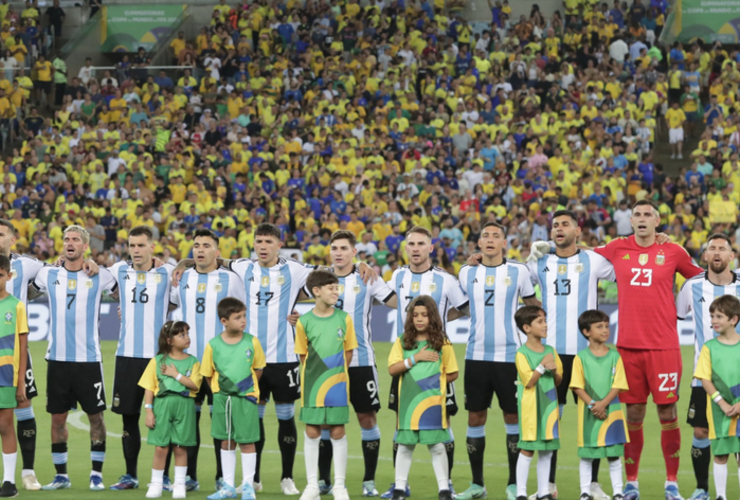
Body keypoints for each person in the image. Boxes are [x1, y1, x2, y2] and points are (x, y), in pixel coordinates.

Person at [531, 200, 703, 500]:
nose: (642, 218)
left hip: (664, 346)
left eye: (648, 214)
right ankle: (632, 482)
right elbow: (575, 252)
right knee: (631, 413)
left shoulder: (674, 251)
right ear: (630, 220)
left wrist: (683, 307)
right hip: (626, 348)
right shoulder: (615, 249)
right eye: (637, 214)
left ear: (658, 220)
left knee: (667, 411)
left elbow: (700, 279)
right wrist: (546, 245)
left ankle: (671, 483)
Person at [0, 218, 98, 491]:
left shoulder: (27, 265)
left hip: (15, 351)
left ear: (12, 240)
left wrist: (90, 263)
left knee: (22, 407)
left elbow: (60, 271)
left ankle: (27, 473)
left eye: (1, 235)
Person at [527, 210, 616, 500]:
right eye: (554, 226)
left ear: (577, 231)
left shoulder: (592, 260)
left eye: (565, 224)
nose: (559, 229)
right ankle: (548, 485)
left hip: (586, 356)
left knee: (594, 416)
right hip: (551, 355)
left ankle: (592, 484)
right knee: (551, 418)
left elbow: (623, 266)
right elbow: (514, 277)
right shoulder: (540, 260)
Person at [384, 226, 469, 499]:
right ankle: (400, 485)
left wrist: (439, 320)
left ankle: (447, 483)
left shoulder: (445, 279)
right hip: (407, 369)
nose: (416, 248)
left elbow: (465, 306)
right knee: (402, 428)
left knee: (443, 427)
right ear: (406, 248)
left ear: (430, 248)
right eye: (412, 243)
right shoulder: (397, 275)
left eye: (422, 243)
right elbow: (385, 299)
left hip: (436, 373)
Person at [456, 221, 539, 500]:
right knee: (475, 415)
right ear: (478, 244)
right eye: (485, 236)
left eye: (496, 236)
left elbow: (533, 306)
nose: (490, 239)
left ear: (505, 242)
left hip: (509, 357)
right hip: (476, 356)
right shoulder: (467, 272)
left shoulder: (519, 271)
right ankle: (477, 484)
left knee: (512, 416)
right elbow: (460, 306)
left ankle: (514, 483)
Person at [31, 225, 118, 491]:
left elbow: (123, 292)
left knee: (96, 418)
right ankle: (61, 476)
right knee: (57, 419)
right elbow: (30, 291)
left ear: (85, 246)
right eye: (67, 239)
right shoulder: (48, 273)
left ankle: (96, 474)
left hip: (88, 361)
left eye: (76, 239)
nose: (70, 242)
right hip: (57, 360)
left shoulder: (100, 275)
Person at [318, 230, 397, 497]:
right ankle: (323, 480)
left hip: (361, 361)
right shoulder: (318, 279)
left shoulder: (368, 277)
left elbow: (396, 301)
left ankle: (369, 480)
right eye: (334, 248)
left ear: (354, 252)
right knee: (326, 421)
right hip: (327, 364)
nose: (338, 253)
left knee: (367, 418)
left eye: (343, 248)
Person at [170, 228, 245, 492]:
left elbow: (241, 317)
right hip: (189, 364)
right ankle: (189, 476)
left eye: (206, 245)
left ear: (217, 251)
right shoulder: (183, 277)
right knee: (188, 423)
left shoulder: (230, 279)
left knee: (222, 425)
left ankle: (223, 477)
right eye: (196, 245)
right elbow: (169, 305)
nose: (200, 249)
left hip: (220, 365)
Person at [108, 226, 176, 491]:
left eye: (140, 245)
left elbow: (192, 268)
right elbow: (87, 269)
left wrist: (179, 263)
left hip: (157, 359)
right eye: (132, 245)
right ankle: (130, 475)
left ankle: (165, 476)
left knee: (163, 419)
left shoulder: (168, 272)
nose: (135, 250)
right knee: (128, 418)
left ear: (152, 247)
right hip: (126, 356)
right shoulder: (118, 270)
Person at [677, 234, 740, 500]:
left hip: (737, 377)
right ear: (704, 256)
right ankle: (702, 488)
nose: (716, 252)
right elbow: (678, 315)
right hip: (702, 377)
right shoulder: (691, 286)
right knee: (702, 430)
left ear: (731, 256)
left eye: (722, 249)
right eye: (711, 248)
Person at [295, 269, 358, 500]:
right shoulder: (304, 321)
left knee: (338, 431)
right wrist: (318, 374)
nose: (336, 292)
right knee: (312, 432)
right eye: (331, 288)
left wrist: (335, 375)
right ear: (316, 291)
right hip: (313, 384)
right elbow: (303, 355)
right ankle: (312, 485)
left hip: (337, 384)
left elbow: (348, 352)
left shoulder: (344, 318)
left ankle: (339, 486)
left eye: (337, 288)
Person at [387, 295, 458, 500]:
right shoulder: (402, 342)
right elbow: (393, 369)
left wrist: (435, 381)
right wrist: (415, 359)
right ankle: (400, 489)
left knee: (436, 446)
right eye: (415, 315)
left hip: (433, 404)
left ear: (432, 317)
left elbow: (453, 372)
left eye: (424, 315)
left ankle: (444, 489)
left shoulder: (442, 343)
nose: (419, 319)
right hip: (408, 405)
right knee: (405, 445)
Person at [202, 297, 265, 500]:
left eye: (244, 316)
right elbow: (208, 373)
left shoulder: (252, 341)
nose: (243, 320)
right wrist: (221, 391)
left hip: (245, 399)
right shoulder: (213, 345)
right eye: (238, 317)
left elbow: (258, 368)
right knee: (226, 440)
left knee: (247, 441)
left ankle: (247, 485)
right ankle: (227, 485)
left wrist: (245, 388)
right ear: (224, 321)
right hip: (223, 399)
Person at [569, 310, 629, 500]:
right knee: (587, 453)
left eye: (606, 325)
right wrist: (594, 405)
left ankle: (618, 491)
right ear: (586, 332)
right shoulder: (580, 358)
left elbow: (618, 384)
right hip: (590, 412)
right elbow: (577, 386)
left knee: (613, 453)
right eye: (599, 326)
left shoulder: (615, 357)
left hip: (612, 412)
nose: (605, 330)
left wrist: (602, 404)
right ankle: (585, 491)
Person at [139, 320, 202, 500]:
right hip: (162, 406)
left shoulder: (193, 361)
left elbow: (195, 386)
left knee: (181, 447)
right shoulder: (158, 361)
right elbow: (149, 387)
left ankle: (180, 483)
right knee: (160, 447)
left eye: (187, 334)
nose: (187, 338)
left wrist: (176, 375)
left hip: (185, 405)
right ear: (169, 340)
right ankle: (156, 483)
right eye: (181, 335)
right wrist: (149, 410)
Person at [693, 295, 740, 500]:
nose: (713, 320)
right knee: (720, 453)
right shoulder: (709, 347)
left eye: (719, 316)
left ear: (733, 320)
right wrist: (721, 402)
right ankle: (721, 496)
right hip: (719, 410)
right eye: (712, 316)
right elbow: (705, 378)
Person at [513, 305, 562, 500]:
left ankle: (543, 493)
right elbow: (529, 381)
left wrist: (554, 371)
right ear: (526, 328)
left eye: (545, 321)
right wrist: (543, 366)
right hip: (531, 407)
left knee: (547, 448)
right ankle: (521, 493)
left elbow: (558, 380)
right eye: (540, 322)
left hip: (549, 405)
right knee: (527, 447)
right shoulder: (522, 353)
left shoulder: (551, 350)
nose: (545, 325)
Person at [0, 254, 29, 498]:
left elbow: (22, 346)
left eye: (0, 274)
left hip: (6, 376)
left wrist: (21, 383)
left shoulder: (17, 306)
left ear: (8, 276)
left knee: (5, 426)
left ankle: (8, 481)